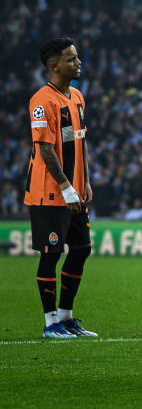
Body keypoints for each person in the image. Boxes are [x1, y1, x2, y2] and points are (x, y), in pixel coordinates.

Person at [24, 38, 98, 339]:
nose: (78, 62)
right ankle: (50, 321)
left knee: (81, 250)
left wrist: (86, 181)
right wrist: (67, 187)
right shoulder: (42, 100)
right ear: (54, 65)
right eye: (71, 59)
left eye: (77, 57)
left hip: (76, 191)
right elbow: (46, 149)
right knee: (50, 254)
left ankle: (66, 317)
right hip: (50, 193)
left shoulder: (78, 97)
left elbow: (80, 143)